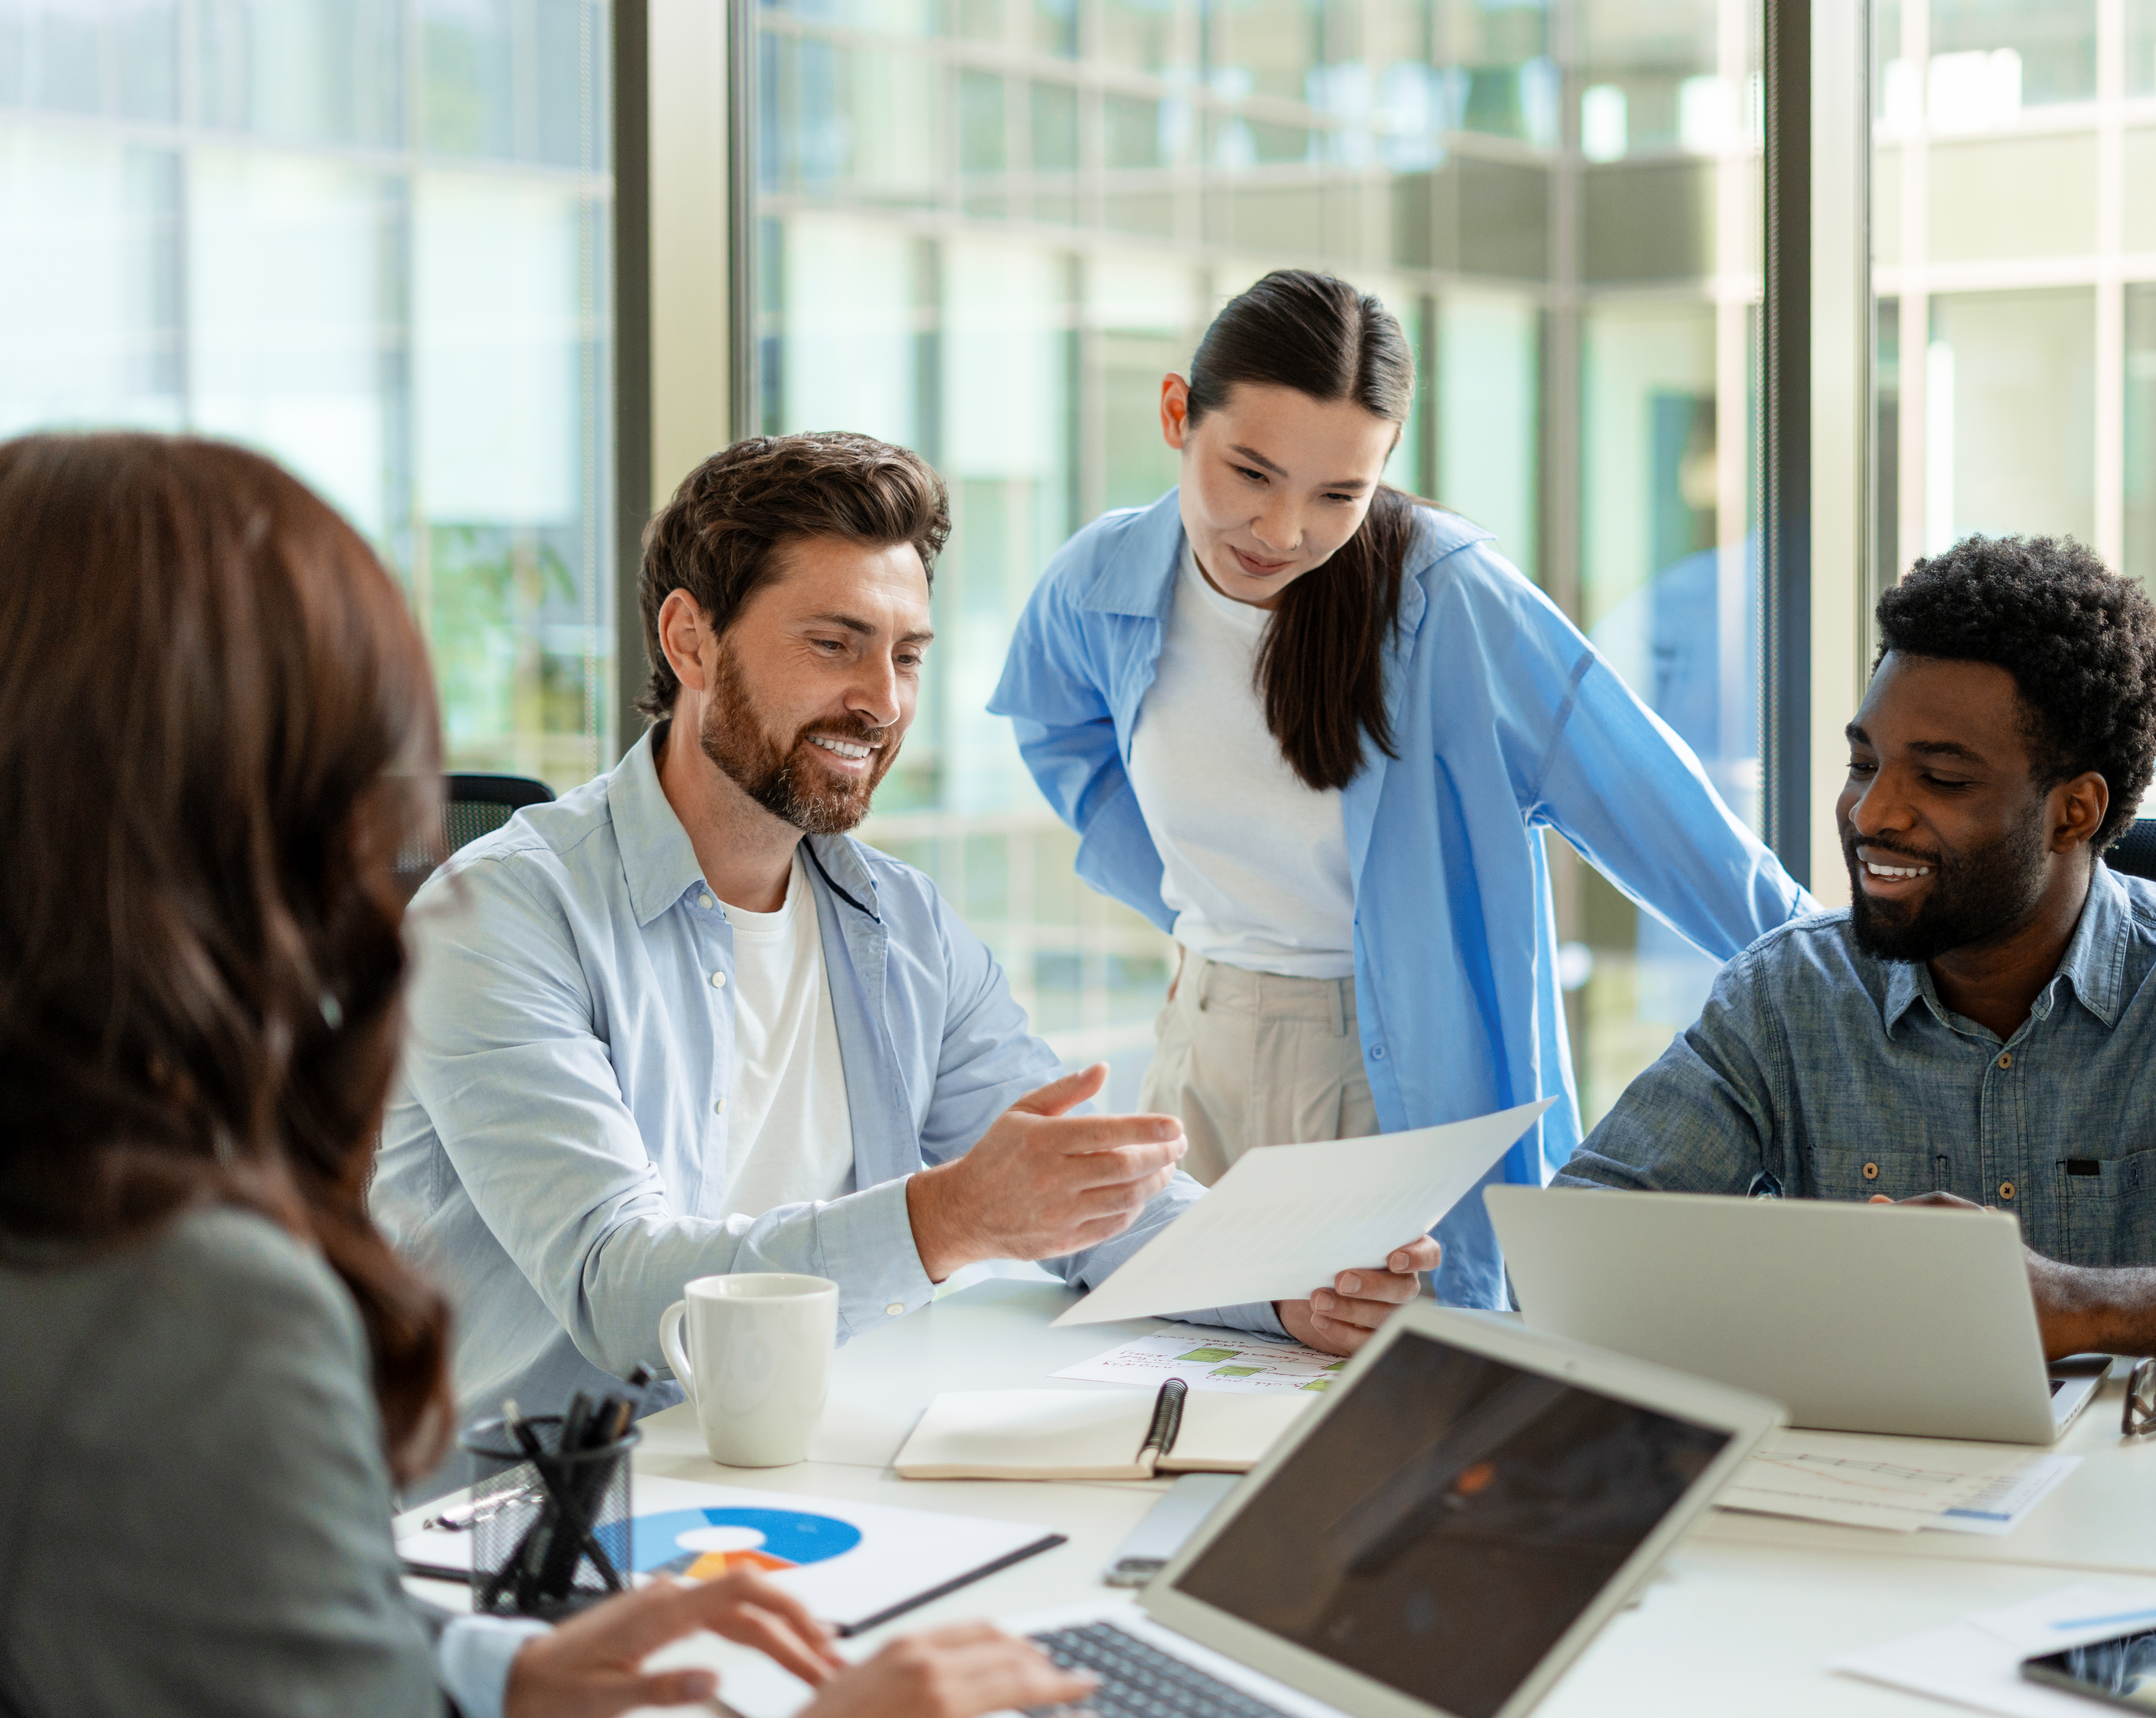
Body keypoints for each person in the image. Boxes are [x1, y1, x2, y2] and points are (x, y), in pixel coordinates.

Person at [0, 431, 1099, 1718]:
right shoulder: (174, 1305)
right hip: (525, 1506)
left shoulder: (46, 1213)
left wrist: (483, 1669)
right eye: (344, 772)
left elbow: (136, 1594)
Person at [376, 432, 1431, 1453]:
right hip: (543, 1520)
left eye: (908, 656)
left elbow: (1080, 1202)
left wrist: (1288, 1283)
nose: (882, 701)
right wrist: (947, 1221)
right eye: (834, 644)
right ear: (690, 640)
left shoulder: (905, 924)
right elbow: (622, 1289)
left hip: (823, 1460)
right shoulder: (500, 920)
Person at [988, 270, 1810, 1310]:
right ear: (1173, 416)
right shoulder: (1101, 580)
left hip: (1396, 1076)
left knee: (1385, 1400)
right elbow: (1056, 729)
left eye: (1339, 494)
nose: (1282, 531)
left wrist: (1837, 975)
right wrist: (1187, 894)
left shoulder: (1451, 599)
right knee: (1176, 1381)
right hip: (1199, 1049)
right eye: (1251, 472)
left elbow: (1657, 813)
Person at [1553, 536, 2156, 1370]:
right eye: (1864, 764)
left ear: (2073, 811)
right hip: (1869, 1514)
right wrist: (1799, 1273)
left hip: (2148, 1524)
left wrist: (2084, 1306)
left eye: (1943, 777)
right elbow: (1574, 1251)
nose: (1874, 812)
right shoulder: (1787, 994)